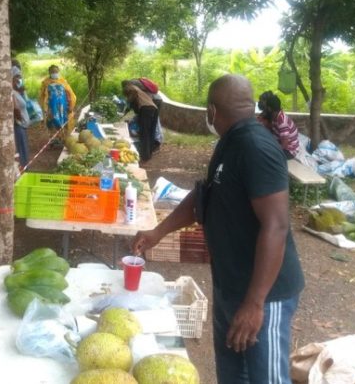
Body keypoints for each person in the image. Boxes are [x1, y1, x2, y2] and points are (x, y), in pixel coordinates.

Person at [132, 74, 304, 384]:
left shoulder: (256, 147)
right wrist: (159, 231)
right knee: (233, 374)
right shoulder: (230, 142)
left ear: (211, 111)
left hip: (265, 293)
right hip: (232, 285)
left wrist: (254, 303)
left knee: (266, 378)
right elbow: (204, 196)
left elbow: (276, 225)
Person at [39, 65, 76, 146]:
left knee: (63, 122)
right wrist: (43, 107)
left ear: (58, 72)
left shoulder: (63, 81)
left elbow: (70, 94)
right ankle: (53, 141)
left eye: (56, 72)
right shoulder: (45, 82)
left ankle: (63, 140)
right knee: (52, 123)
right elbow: (41, 96)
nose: (54, 73)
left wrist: (71, 106)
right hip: (51, 108)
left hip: (63, 108)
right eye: (52, 72)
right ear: (49, 72)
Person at [122, 82, 159, 162]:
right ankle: (148, 153)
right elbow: (134, 105)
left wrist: (125, 116)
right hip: (154, 109)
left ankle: (145, 156)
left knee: (144, 132)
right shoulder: (137, 89)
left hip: (146, 109)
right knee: (150, 132)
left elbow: (132, 103)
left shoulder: (131, 88)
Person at [257, 90, 300, 159]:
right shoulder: (275, 115)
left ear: (269, 108)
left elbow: (284, 145)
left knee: (264, 155)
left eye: (265, 107)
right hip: (279, 143)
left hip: (289, 150)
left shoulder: (282, 122)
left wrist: (272, 150)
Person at [12, 68, 30, 169]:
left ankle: (24, 169)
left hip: (22, 125)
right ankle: (23, 171)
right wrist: (20, 120)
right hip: (18, 126)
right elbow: (15, 109)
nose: (20, 79)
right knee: (21, 150)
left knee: (23, 149)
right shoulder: (11, 93)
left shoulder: (17, 91)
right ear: (12, 78)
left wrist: (22, 92)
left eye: (20, 77)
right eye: (17, 77)